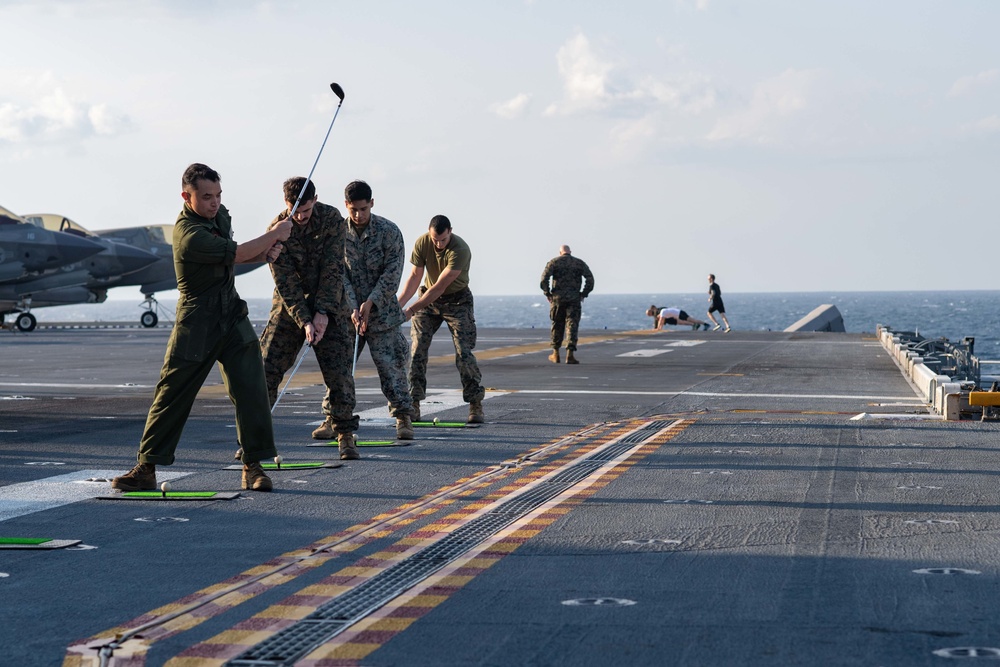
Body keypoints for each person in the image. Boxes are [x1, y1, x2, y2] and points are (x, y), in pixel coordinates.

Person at [111, 163, 291, 493]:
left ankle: (253, 466)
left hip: (231, 315)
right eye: (207, 197)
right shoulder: (188, 234)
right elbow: (237, 253)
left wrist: (266, 253)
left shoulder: (219, 217)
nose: (215, 202)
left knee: (252, 389)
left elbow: (235, 258)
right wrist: (275, 234)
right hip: (198, 322)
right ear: (186, 197)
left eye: (218, 194)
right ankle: (147, 467)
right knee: (173, 392)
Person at [259, 177, 361, 461]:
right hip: (290, 307)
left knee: (340, 374)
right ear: (286, 203)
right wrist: (305, 320)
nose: (301, 217)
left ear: (315, 200)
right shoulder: (277, 230)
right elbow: (285, 282)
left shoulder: (331, 219)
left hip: (331, 304)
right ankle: (255, 439)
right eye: (296, 210)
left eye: (306, 210)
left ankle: (345, 435)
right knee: (265, 370)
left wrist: (323, 313)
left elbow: (333, 268)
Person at [330, 180, 414, 440]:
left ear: (372, 203)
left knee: (392, 369)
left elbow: (393, 273)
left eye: (363, 209)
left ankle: (403, 417)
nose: (358, 215)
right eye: (353, 209)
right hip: (349, 315)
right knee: (339, 369)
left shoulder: (389, 231)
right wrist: (353, 306)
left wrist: (371, 302)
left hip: (383, 314)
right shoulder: (337, 233)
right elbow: (338, 273)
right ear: (346, 205)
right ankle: (332, 419)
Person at [398, 215, 485, 424]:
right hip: (427, 301)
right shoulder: (422, 242)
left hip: (457, 301)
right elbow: (415, 277)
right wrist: (396, 307)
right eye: (434, 240)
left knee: (464, 353)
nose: (438, 244)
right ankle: (414, 403)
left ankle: (475, 404)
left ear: (450, 232)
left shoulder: (460, 249)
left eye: (443, 240)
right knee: (417, 350)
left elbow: (439, 287)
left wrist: (412, 309)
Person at [539, 244, 594, 364]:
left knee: (557, 324)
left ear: (560, 253)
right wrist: (583, 293)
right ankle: (570, 354)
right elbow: (590, 279)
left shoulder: (554, 262)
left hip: (557, 299)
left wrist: (547, 293)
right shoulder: (579, 263)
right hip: (574, 299)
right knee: (572, 325)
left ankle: (555, 354)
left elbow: (544, 279)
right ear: (570, 252)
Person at [646, 305, 710, 331]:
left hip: (680, 314)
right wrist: (658, 328)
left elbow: (661, 321)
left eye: (658, 317)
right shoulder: (662, 312)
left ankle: (705, 324)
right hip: (679, 314)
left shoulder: (662, 312)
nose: (658, 318)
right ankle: (697, 325)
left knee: (693, 320)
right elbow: (661, 321)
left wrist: (658, 328)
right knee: (690, 321)